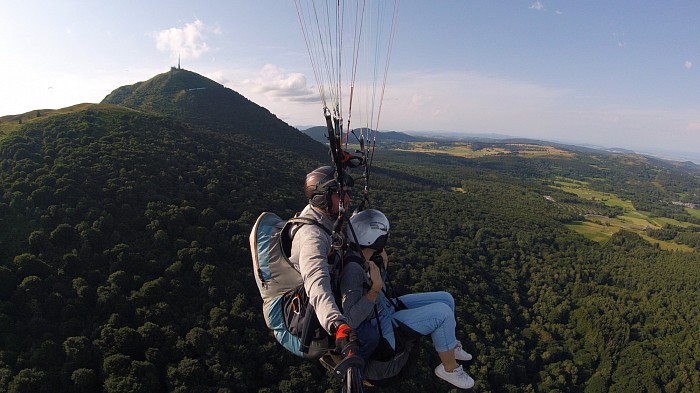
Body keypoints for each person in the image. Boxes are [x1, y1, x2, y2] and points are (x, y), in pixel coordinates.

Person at [340, 209, 475, 389]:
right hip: (380, 324)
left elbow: (379, 287)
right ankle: (449, 369)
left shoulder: (365, 258)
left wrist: (383, 268)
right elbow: (350, 319)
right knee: (442, 314)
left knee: (446, 299)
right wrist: (374, 290)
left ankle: (450, 346)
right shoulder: (353, 270)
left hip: (386, 307)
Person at [289, 165, 358, 356]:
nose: (347, 199)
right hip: (313, 306)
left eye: (347, 193)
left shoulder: (324, 215)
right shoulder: (312, 236)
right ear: (322, 198)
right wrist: (337, 324)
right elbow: (316, 283)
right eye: (340, 194)